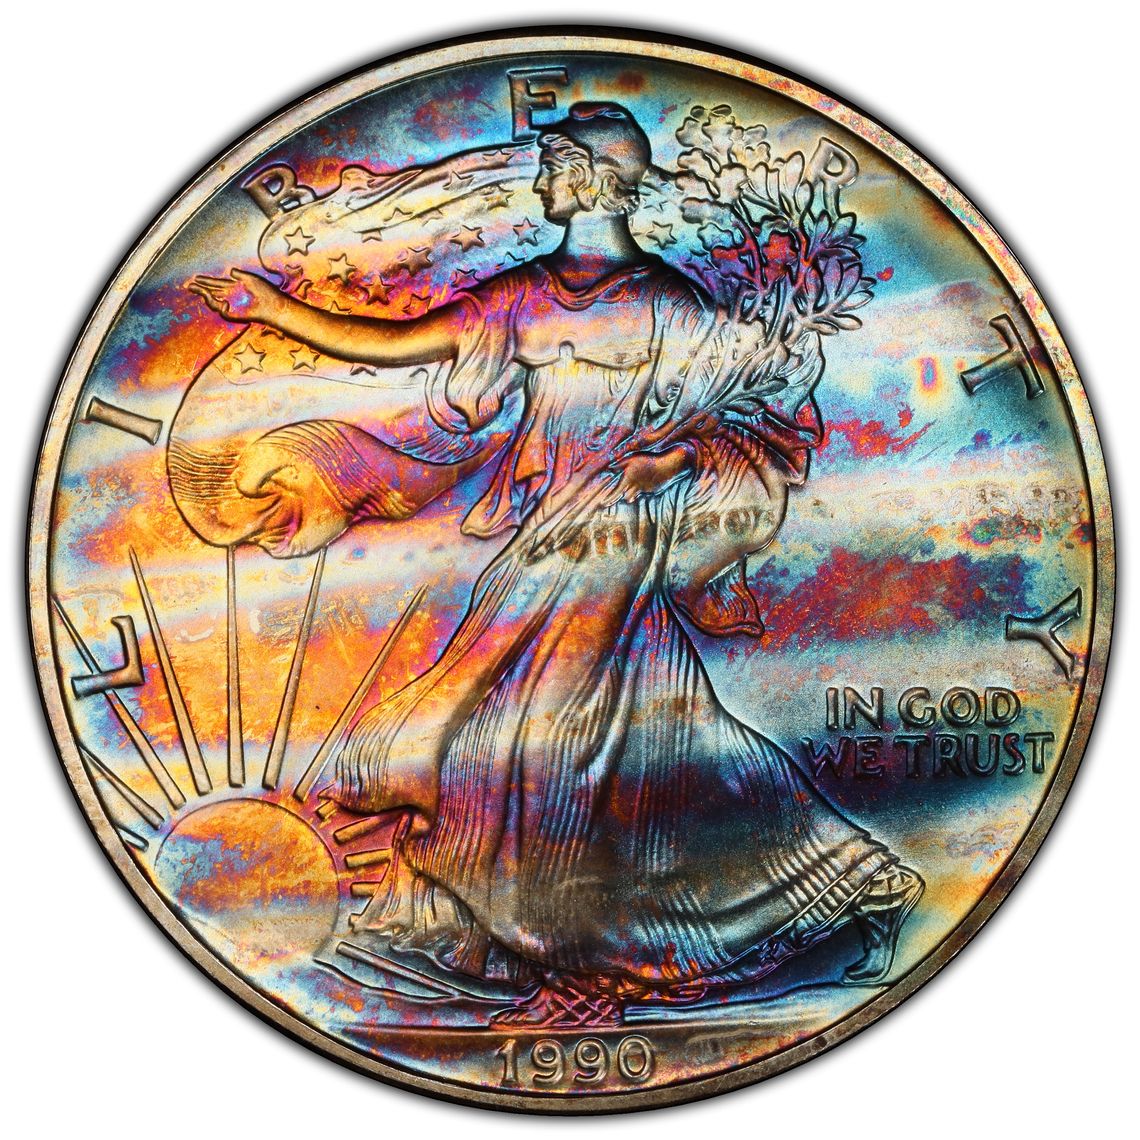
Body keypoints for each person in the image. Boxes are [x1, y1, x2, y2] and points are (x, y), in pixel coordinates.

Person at [191, 102, 923, 1027]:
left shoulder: (669, 304)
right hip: (543, 536)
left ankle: (581, 968)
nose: (541, 180)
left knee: (550, 746)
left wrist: (670, 461)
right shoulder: (523, 294)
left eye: (554, 166)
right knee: (644, 741)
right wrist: (274, 310)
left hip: (618, 539)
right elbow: (398, 343)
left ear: (595, 180)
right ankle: (852, 880)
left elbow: (739, 425)